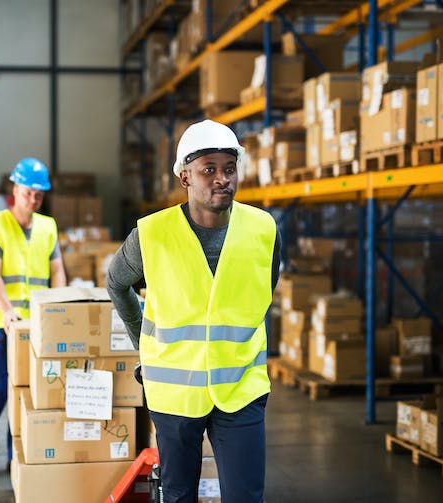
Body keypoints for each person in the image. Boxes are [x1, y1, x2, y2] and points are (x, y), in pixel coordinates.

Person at [106, 120, 281, 502]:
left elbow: (264, 289)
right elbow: (116, 282)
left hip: (240, 387)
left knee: (245, 496)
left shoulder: (263, 228)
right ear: (185, 177)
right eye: (209, 170)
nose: (223, 180)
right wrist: (144, 341)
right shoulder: (151, 234)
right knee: (179, 494)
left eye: (229, 169)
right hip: (174, 393)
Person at [0, 157, 67, 476]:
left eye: (39, 194)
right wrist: (7, 313)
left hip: (34, 327)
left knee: (26, 393)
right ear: (16, 189)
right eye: (28, 192)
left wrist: (60, 305)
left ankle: (16, 458)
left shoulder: (47, 227)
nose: (33, 199)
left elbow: (57, 271)